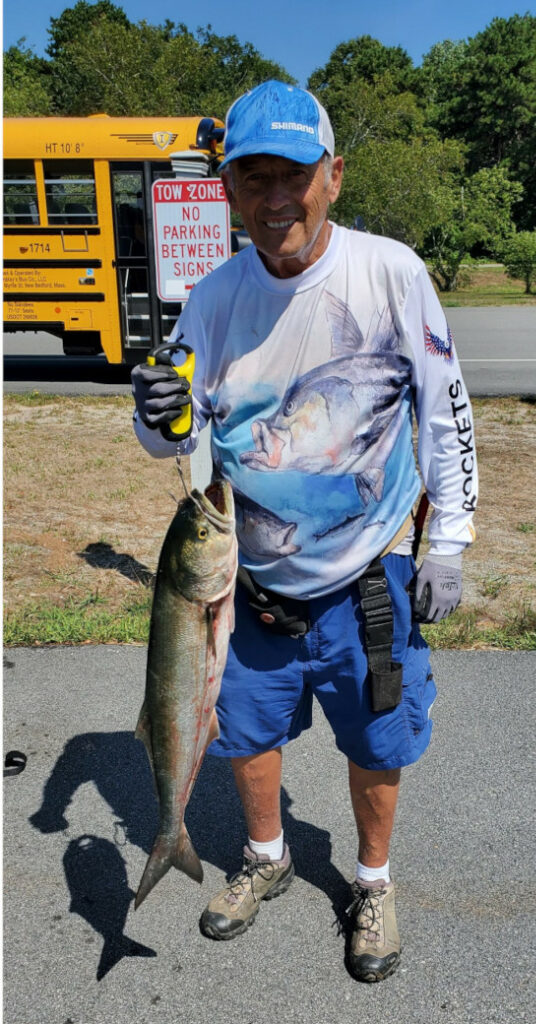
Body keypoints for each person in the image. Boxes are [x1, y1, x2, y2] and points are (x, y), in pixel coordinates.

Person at [131, 80, 478, 983]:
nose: (273, 196)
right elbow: (179, 431)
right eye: (252, 177)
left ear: (332, 175)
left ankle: (372, 882)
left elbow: (445, 412)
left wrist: (446, 545)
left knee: (376, 741)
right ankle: (265, 857)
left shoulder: (389, 272)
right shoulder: (212, 297)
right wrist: (160, 417)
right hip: (245, 586)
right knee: (243, 735)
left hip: (364, 579)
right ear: (230, 189)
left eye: (292, 173)